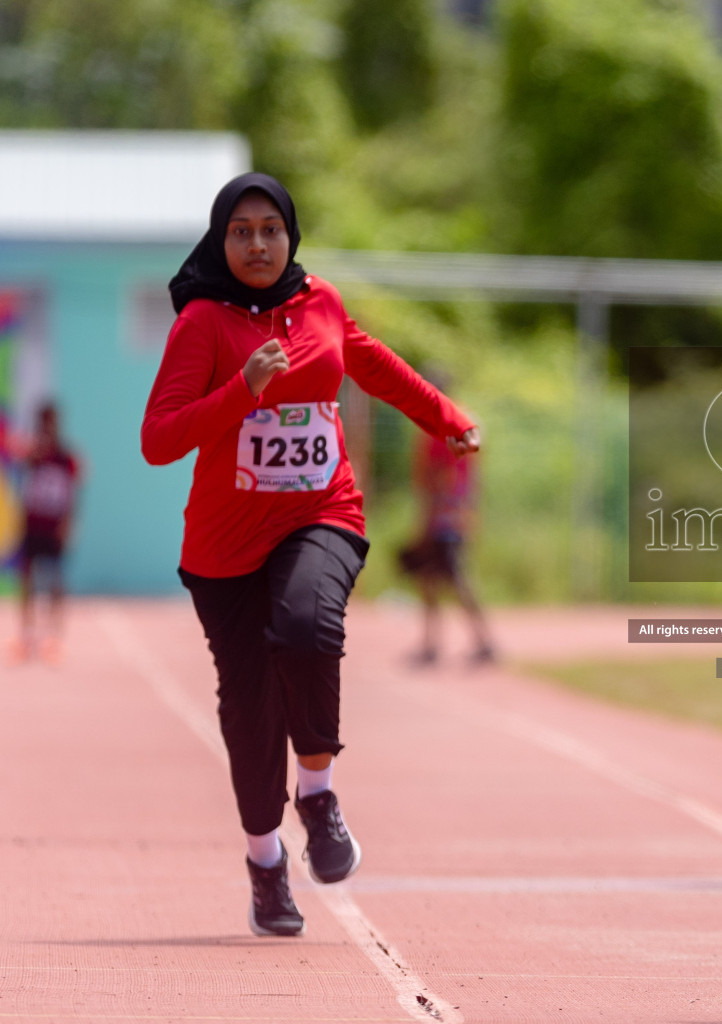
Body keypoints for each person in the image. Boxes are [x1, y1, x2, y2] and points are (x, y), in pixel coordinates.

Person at [141, 173, 480, 937]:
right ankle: (266, 865)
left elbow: (368, 359)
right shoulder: (202, 323)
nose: (257, 244)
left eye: (270, 229)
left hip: (321, 509)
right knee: (251, 709)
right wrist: (242, 391)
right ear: (220, 241)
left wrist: (444, 417)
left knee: (307, 626)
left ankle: (319, 794)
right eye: (241, 232)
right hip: (226, 545)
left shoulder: (317, 301)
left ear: (291, 235)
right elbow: (158, 440)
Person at [398, 368, 495, 665]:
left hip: (445, 517)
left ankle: (483, 642)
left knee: (456, 579)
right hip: (453, 513)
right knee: (431, 579)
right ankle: (434, 644)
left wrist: (428, 521)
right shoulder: (456, 418)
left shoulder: (441, 424)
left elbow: (443, 479)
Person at [12, 403, 81, 663]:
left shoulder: (65, 457)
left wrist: (69, 523)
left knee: (55, 580)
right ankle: (27, 635)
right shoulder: (33, 454)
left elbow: (73, 492)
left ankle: (54, 636)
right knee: (27, 581)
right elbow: (20, 464)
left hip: (53, 526)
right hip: (32, 523)